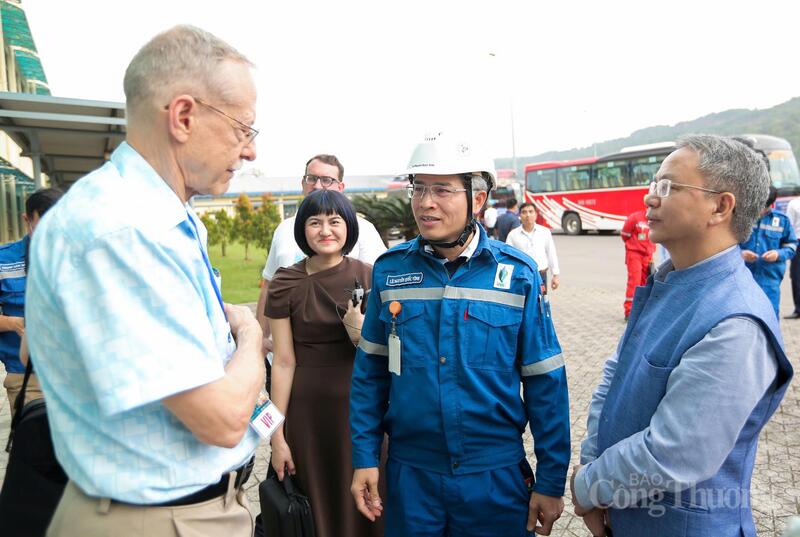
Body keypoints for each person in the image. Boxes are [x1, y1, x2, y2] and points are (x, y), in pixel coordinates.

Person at [25, 26, 265, 536]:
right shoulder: (122, 231)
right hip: (156, 521)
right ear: (183, 117)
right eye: (244, 129)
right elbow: (221, 418)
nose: (249, 153)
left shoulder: (161, 220)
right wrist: (251, 336)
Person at [571, 135, 793, 537]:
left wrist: (588, 487)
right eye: (655, 184)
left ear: (720, 206)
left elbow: (674, 453)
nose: (650, 198)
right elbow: (614, 375)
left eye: (669, 186)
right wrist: (591, 464)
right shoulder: (670, 281)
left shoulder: (736, 321)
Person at [350, 132, 570, 537]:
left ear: (478, 199)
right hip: (411, 476)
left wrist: (551, 480)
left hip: (494, 478)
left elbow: (545, 381)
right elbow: (370, 374)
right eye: (418, 188)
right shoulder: (390, 271)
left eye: (441, 190)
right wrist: (364, 457)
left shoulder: (517, 275)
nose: (425, 202)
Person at [266, 189, 383, 537]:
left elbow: (394, 354)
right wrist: (275, 436)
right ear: (302, 229)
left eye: (334, 221)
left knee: (368, 502)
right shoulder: (284, 282)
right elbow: (283, 362)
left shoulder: (371, 276)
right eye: (315, 222)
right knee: (315, 509)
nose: (325, 230)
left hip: (362, 412)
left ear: (349, 226)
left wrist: (362, 337)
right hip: (305, 416)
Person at [254, 154, 385, 353]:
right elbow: (269, 284)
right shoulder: (283, 229)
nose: (317, 185)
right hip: (285, 352)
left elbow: (379, 288)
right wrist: (259, 340)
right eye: (311, 178)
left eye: (327, 180)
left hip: (344, 353)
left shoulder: (364, 230)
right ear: (303, 182)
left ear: (340, 187)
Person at [0, 188, 61, 414]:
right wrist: (14, 324)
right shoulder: (3, 261)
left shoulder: (79, 254)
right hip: (26, 378)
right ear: (27, 219)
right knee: (34, 446)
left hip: (75, 375)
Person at [739, 186, 797, 318]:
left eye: (763, 207)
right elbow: (726, 244)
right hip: (743, 277)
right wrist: (740, 254)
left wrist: (778, 254)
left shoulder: (782, 221)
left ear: (771, 204)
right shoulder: (741, 219)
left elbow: (792, 245)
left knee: (769, 316)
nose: (759, 211)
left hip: (769, 280)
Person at [505, 202, 560, 294]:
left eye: (531, 212)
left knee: (541, 303)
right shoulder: (513, 235)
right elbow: (507, 257)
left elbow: (551, 253)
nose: (528, 215)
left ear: (536, 215)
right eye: (524, 212)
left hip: (541, 275)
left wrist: (555, 275)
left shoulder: (545, 232)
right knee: (523, 305)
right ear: (519, 215)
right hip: (521, 276)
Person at [620, 195, 656, 320]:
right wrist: (634, 246)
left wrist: (650, 254)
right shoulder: (635, 218)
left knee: (644, 283)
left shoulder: (654, 220)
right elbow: (625, 234)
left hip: (648, 255)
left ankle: (640, 310)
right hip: (634, 254)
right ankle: (629, 312)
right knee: (634, 282)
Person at [785, 195, 800, 318]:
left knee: (796, 276)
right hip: (797, 242)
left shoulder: (794, 203)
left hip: (797, 242)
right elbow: (789, 225)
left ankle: (798, 310)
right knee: (796, 276)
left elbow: (790, 225)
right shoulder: (793, 203)